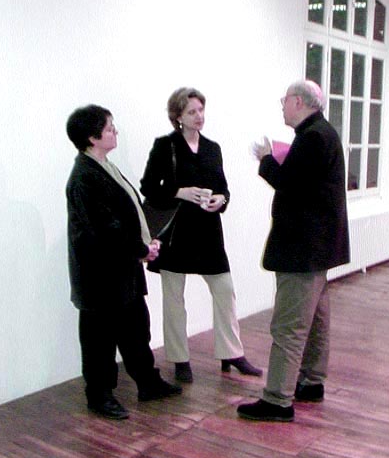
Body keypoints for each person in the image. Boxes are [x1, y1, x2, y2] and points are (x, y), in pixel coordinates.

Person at [237, 80, 350, 422]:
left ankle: (278, 399)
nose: (282, 106)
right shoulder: (321, 133)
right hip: (317, 247)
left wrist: (266, 159)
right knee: (315, 320)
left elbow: (291, 185)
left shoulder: (313, 137)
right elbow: (306, 182)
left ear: (299, 102)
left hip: (303, 248)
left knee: (289, 326)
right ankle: (311, 382)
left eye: (284, 100)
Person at [66, 104, 182, 420]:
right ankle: (99, 396)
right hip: (100, 276)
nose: (115, 131)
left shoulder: (105, 167)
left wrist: (144, 243)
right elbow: (105, 229)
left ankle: (147, 382)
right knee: (99, 340)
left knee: (135, 329)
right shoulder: (84, 177)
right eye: (109, 128)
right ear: (92, 138)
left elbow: (126, 216)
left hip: (122, 269)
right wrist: (141, 249)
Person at [140, 87, 262, 383]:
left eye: (201, 110)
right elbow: (148, 187)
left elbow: (223, 187)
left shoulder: (212, 148)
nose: (199, 116)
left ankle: (231, 353)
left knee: (224, 290)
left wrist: (222, 200)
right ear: (178, 116)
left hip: (208, 230)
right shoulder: (165, 146)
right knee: (173, 297)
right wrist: (179, 192)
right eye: (192, 111)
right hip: (177, 231)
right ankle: (179, 358)